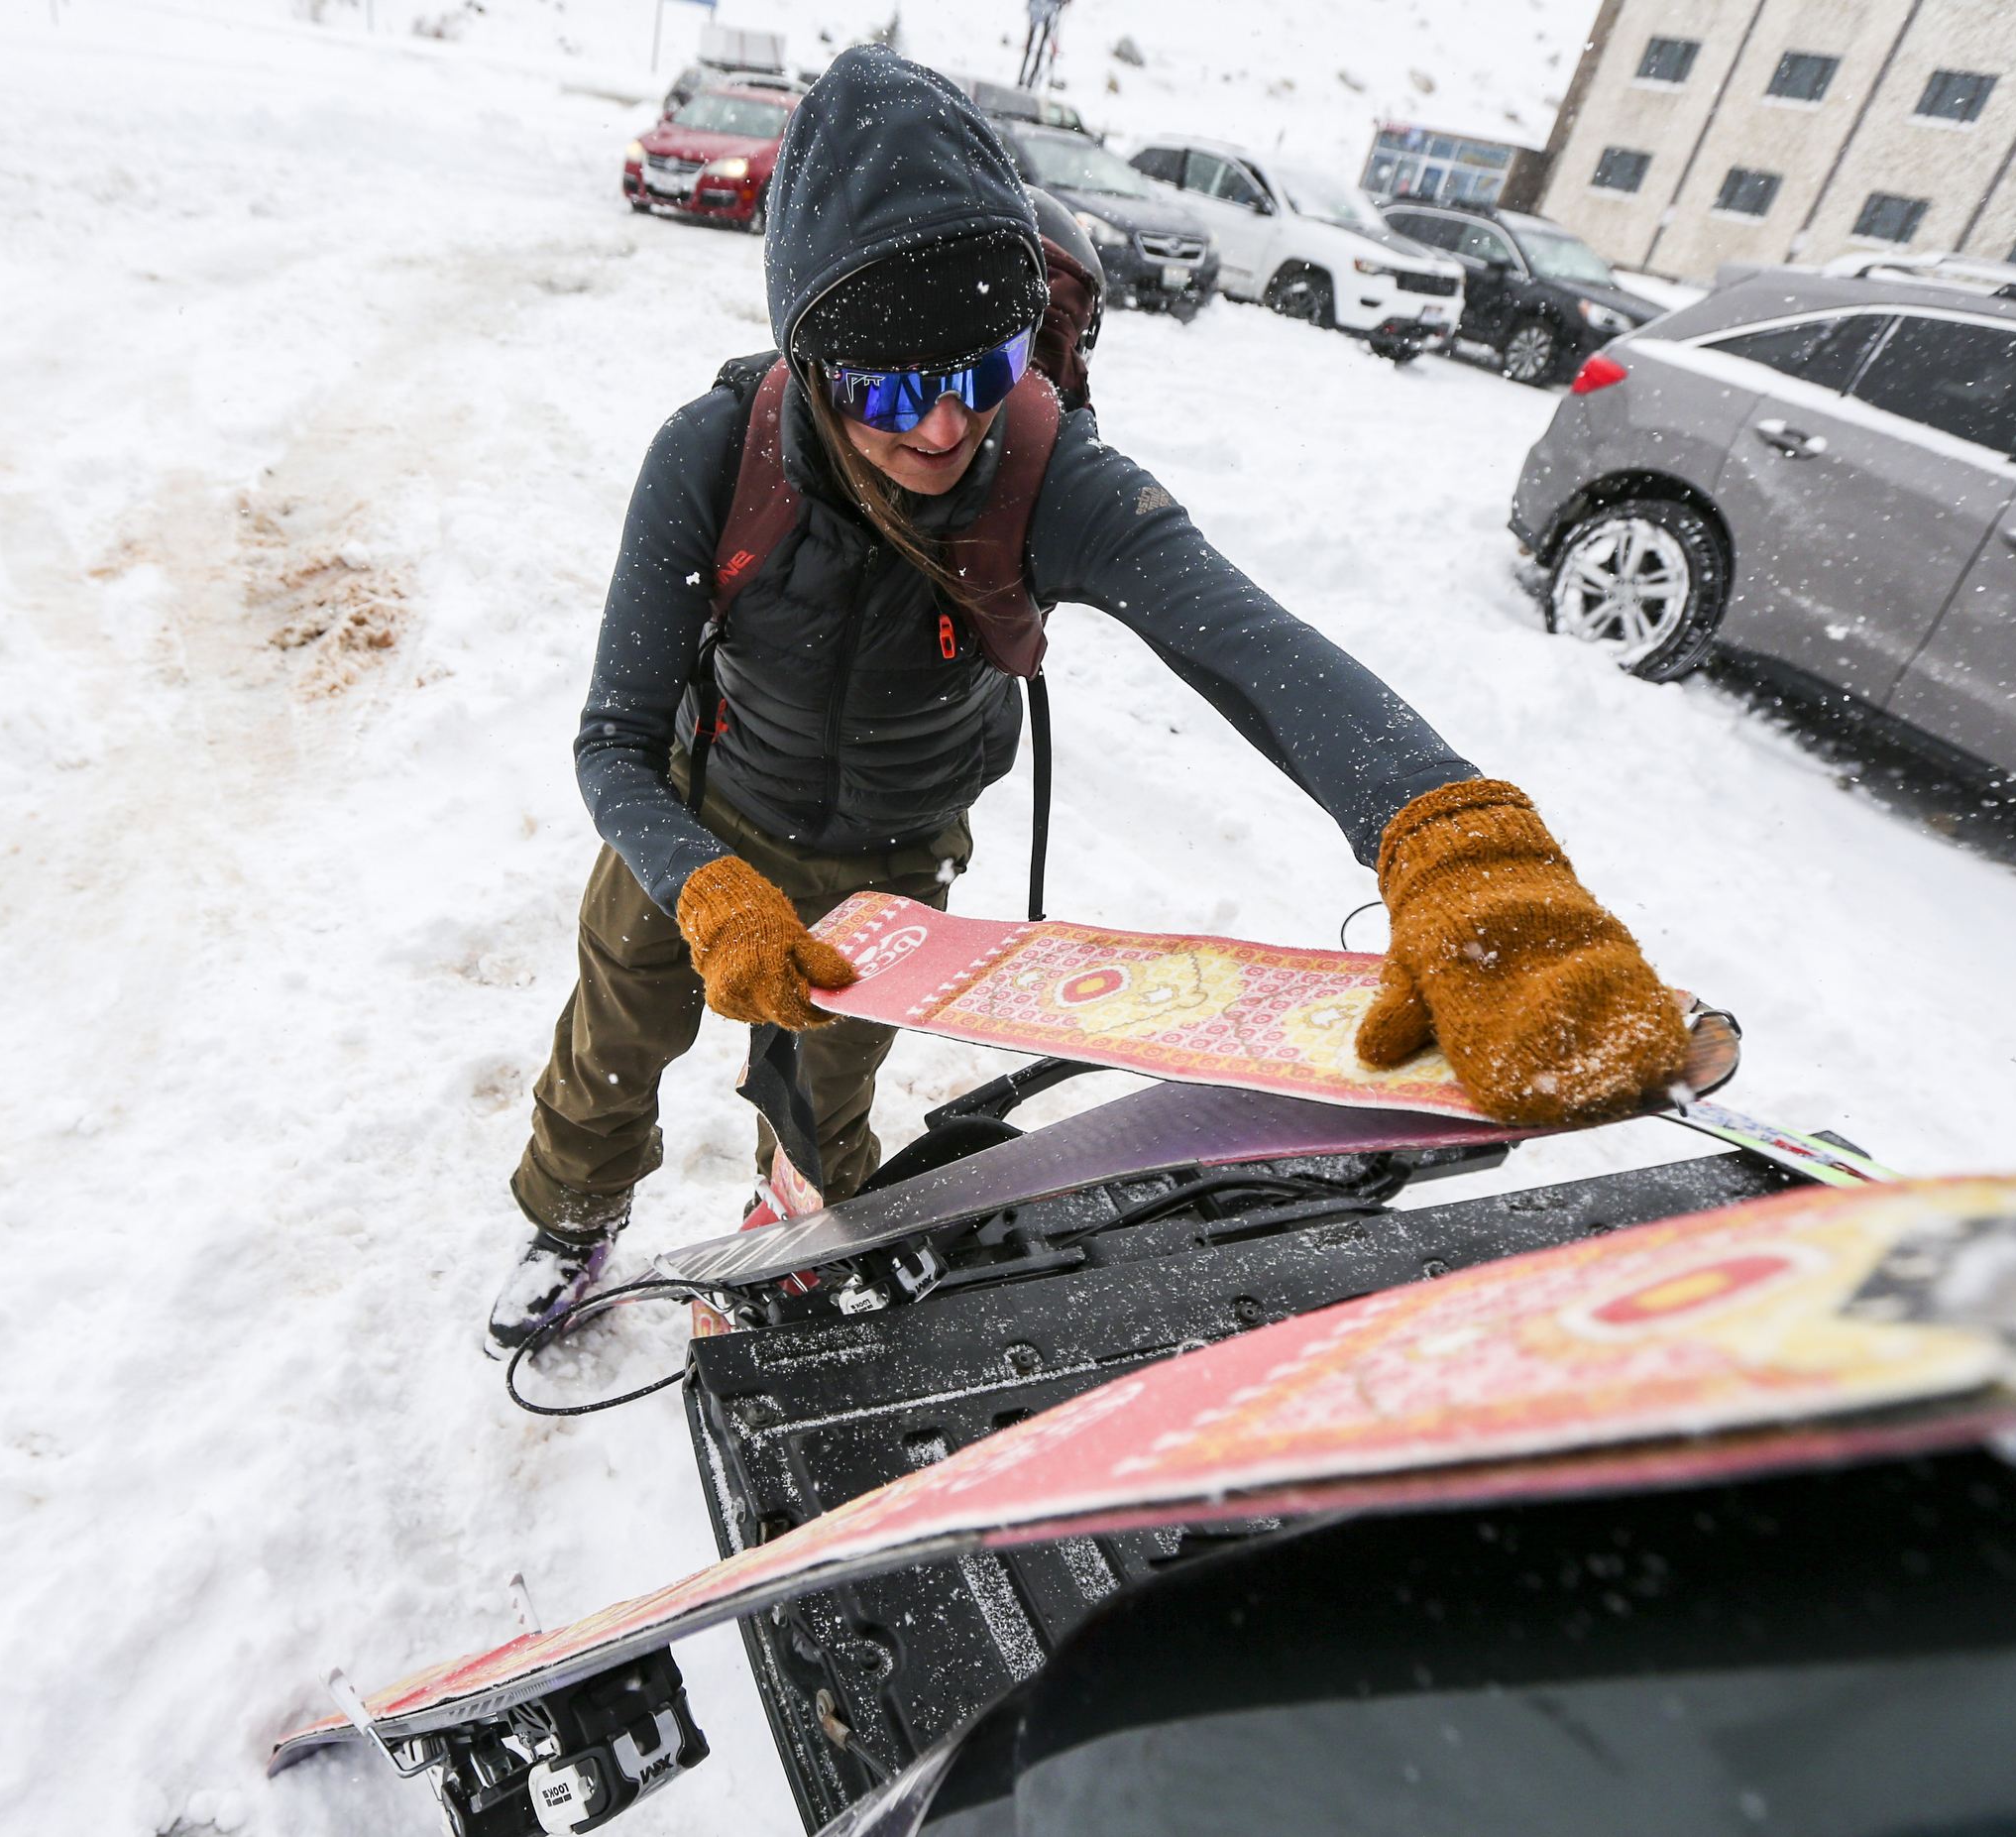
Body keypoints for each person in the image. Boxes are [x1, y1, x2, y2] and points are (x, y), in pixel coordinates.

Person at [486, 47, 1691, 1351]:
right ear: (812, 364)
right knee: (610, 1047)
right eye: (890, 389)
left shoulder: (1046, 472)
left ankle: (804, 1215)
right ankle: (570, 1216)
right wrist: (702, 880)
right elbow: (609, 739)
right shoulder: (715, 452)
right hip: (694, 817)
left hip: (886, 869)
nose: (942, 430)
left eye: (977, 369)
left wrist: (1459, 840)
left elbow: (1248, 642)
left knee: (826, 1089)